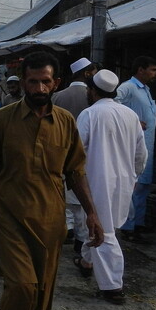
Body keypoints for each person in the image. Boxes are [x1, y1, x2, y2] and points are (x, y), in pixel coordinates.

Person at [0, 51, 103, 310]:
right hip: (9, 216)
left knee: (44, 290)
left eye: (46, 81)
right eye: (33, 81)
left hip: (50, 218)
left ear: (55, 82)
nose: (39, 87)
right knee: (22, 285)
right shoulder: (2, 120)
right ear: (24, 83)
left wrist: (91, 213)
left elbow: (76, 171)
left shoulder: (66, 122)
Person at [76, 70, 147, 304]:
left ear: (93, 91)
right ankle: (87, 262)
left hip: (97, 180)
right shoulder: (130, 115)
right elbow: (140, 154)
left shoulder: (89, 114)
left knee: (103, 231)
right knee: (104, 226)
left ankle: (113, 286)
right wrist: (134, 176)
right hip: (124, 181)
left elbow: (77, 152)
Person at [52, 57, 98, 250]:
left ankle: (68, 227)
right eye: (93, 72)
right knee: (81, 198)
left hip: (60, 152)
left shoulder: (58, 96)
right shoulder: (93, 96)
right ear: (87, 73)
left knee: (65, 194)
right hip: (87, 154)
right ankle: (81, 239)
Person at [116, 56, 156, 243]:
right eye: (153, 69)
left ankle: (138, 223)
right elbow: (113, 104)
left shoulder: (145, 90)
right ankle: (128, 227)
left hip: (147, 145)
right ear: (140, 70)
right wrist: (131, 119)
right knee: (133, 187)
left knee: (143, 186)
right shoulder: (128, 87)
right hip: (133, 146)